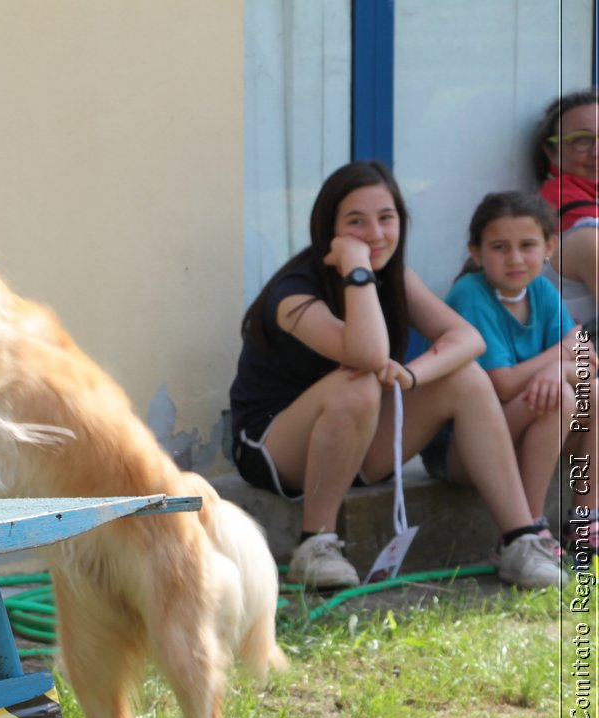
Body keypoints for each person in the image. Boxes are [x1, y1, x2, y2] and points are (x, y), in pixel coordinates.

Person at [229, 160, 564, 592]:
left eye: (386, 218)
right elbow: (367, 354)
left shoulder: (396, 277)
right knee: (361, 379)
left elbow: (468, 340)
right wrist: (356, 267)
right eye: (356, 222)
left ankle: (518, 540)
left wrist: (409, 375)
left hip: (356, 440)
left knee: (466, 377)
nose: (375, 233)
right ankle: (316, 544)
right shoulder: (292, 293)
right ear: (328, 228)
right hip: (274, 447)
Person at [443, 191, 590, 557]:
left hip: (522, 430)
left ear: (549, 247)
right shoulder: (471, 294)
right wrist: (560, 355)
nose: (515, 258)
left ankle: (586, 518)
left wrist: (560, 367)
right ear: (476, 252)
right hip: (467, 451)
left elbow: (587, 357)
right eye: (499, 247)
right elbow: (503, 385)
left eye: (527, 245)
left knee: (592, 393)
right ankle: (527, 527)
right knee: (562, 398)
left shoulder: (540, 288)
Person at [533, 88, 599, 333]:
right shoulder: (567, 208)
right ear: (551, 151)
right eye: (581, 140)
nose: (597, 152)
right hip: (577, 360)